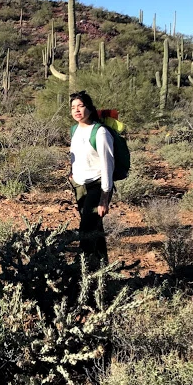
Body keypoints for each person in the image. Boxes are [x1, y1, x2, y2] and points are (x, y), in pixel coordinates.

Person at [69, 91, 114, 270]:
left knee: (86, 229)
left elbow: (107, 165)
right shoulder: (75, 129)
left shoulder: (101, 132)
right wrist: (72, 173)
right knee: (95, 228)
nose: (77, 110)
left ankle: (83, 269)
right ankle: (102, 268)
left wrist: (105, 197)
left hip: (97, 185)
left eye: (80, 106)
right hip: (80, 185)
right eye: (73, 107)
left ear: (89, 108)